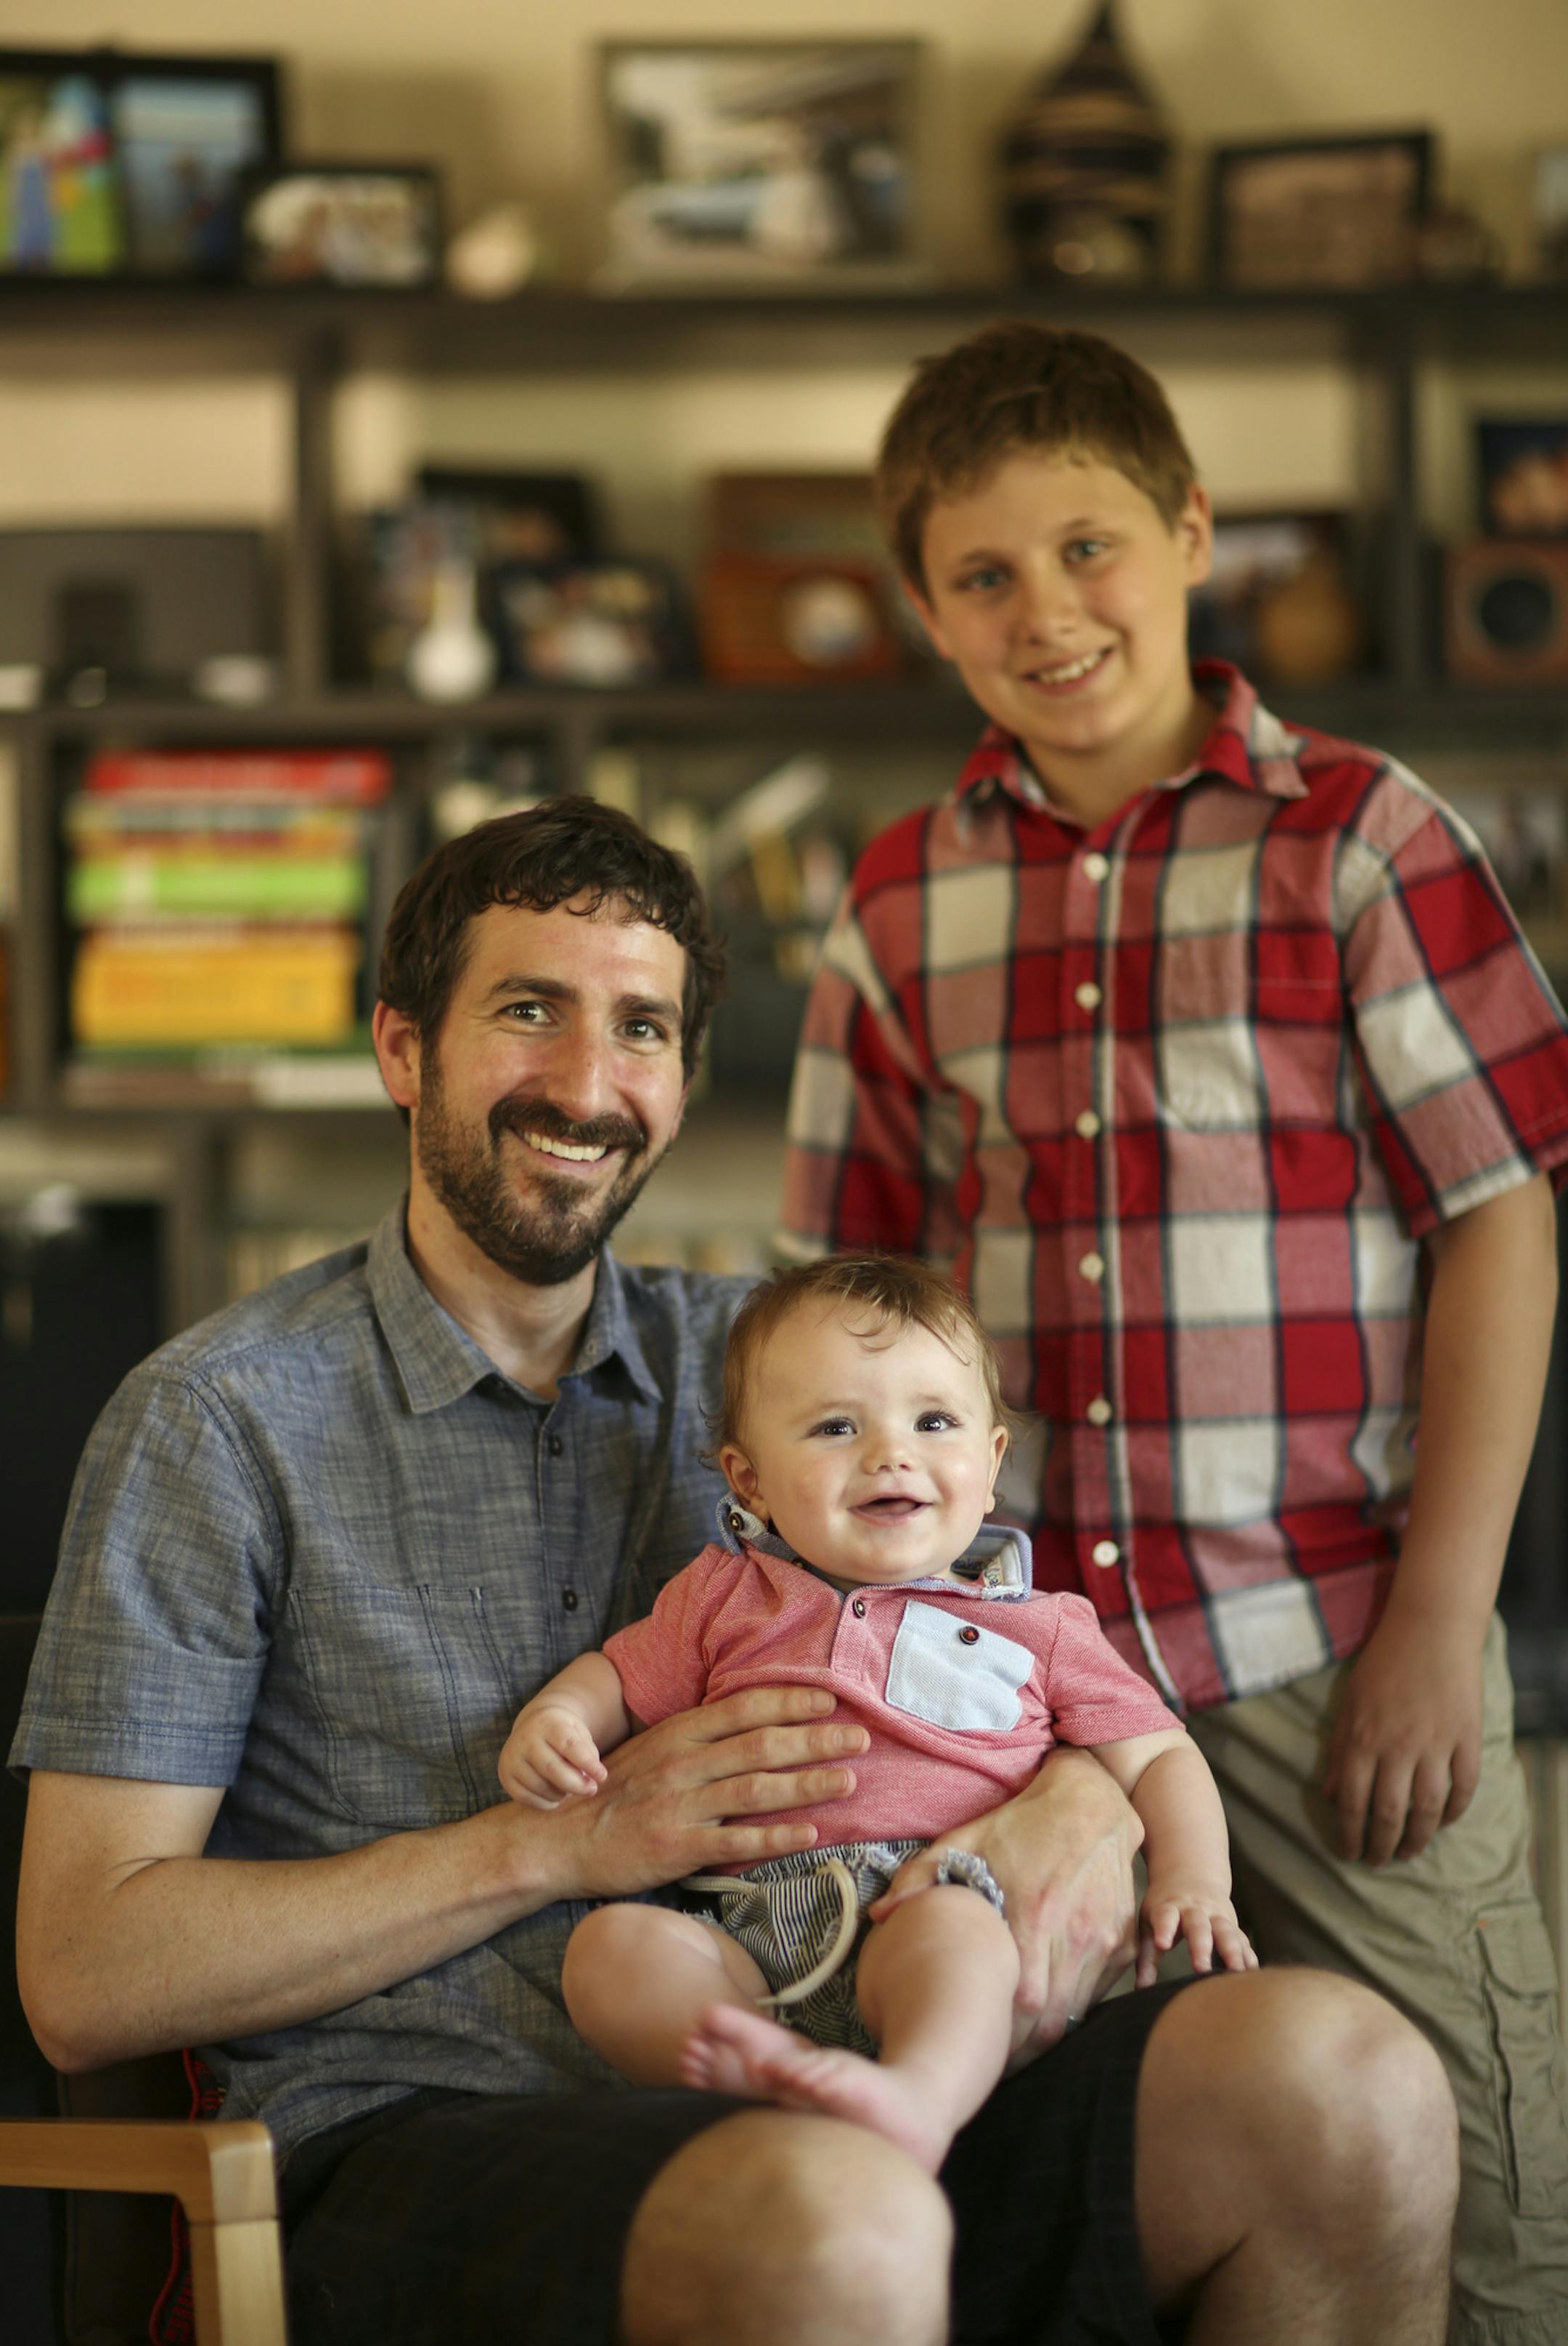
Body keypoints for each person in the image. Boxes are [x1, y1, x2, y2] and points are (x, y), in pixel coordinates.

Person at [11, 795, 1458, 2346]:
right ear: (402, 1049)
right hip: (422, 2132)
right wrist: (554, 1847)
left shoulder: (783, 1372)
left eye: (640, 1027)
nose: (586, 1081)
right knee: (837, 2215)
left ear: (685, 1081)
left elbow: (1036, 1652)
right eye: (526, 1010)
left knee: (1350, 2086)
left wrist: (1084, 1797)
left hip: (860, 2041)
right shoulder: (218, 1419)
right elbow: (86, 1969)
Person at [777, 319, 1568, 2346]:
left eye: (1092, 543)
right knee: (1084, 2185)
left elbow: (1502, 1219)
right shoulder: (896, 903)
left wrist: (1436, 1618)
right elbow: (840, 1320)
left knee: (1482, 2202)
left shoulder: (1360, 837)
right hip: (1015, 1678)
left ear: (1194, 532)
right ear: (927, 610)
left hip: (1337, 1644)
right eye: (983, 573)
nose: (1049, 609)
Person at [503, 1253, 1257, 2176]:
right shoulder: (722, 1596)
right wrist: (557, 1721)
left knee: (959, 1939)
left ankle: (919, 2100)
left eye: (933, 1420)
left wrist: (1196, 1880)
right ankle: (766, 2072)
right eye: (834, 1427)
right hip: (746, 1927)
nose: (890, 1453)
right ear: (749, 1482)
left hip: (931, 1895)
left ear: (990, 1468)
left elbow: (1160, 1757)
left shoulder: (1038, 1625)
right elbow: (616, 1679)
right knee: (610, 1949)